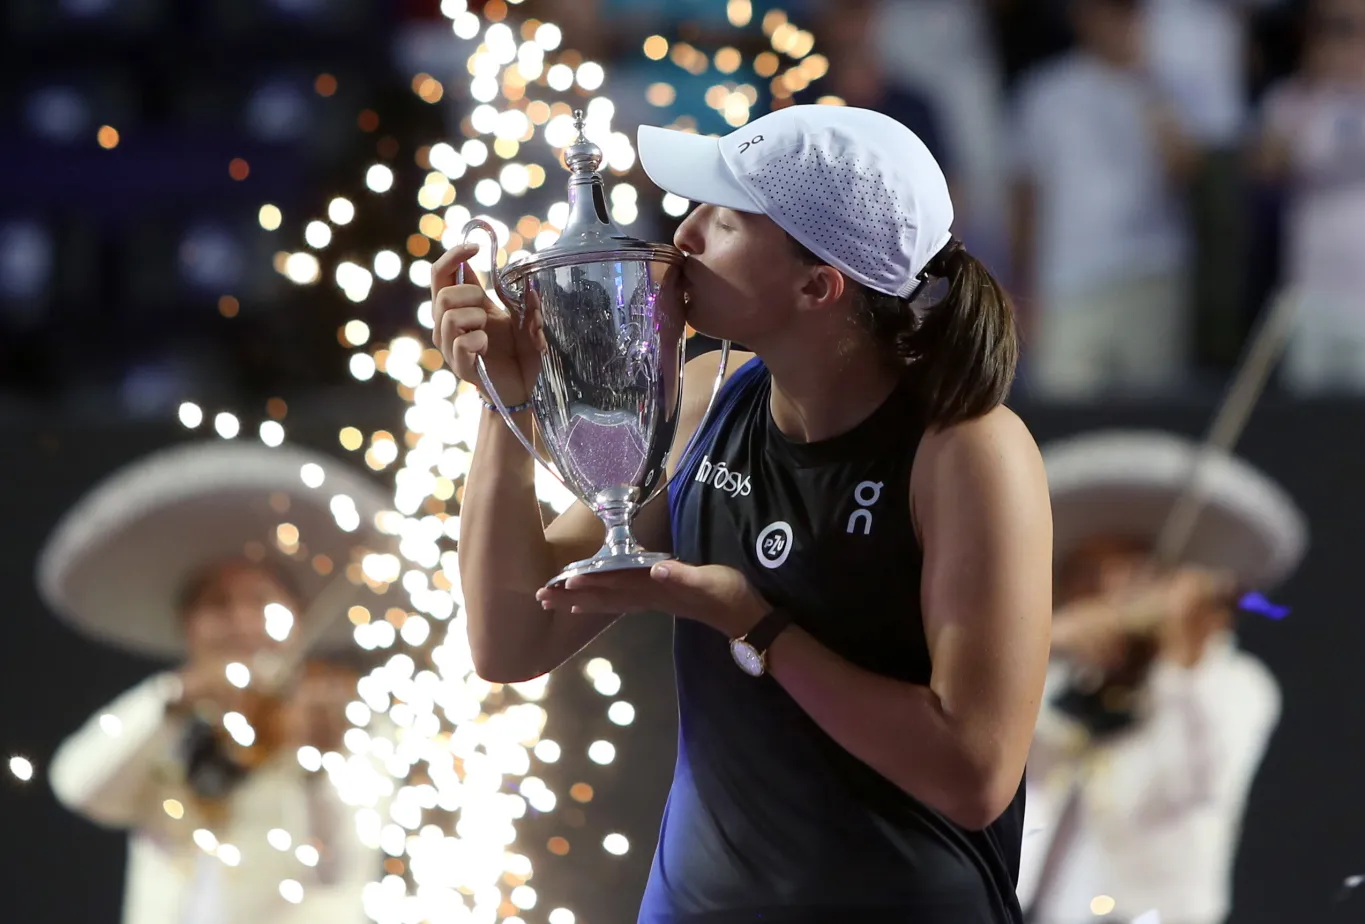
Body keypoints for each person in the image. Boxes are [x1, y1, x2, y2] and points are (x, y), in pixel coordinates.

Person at [432, 104, 1053, 922]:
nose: (683, 236)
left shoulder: (968, 449)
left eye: (723, 222)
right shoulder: (705, 395)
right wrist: (505, 402)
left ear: (817, 286)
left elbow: (973, 774)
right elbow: (512, 639)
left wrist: (753, 624)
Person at [41, 440, 401, 924]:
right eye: (217, 605)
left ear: (298, 618)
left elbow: (343, 865)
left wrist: (321, 760)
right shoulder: (166, 715)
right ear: (186, 625)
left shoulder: (347, 718)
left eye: (261, 601)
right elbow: (78, 787)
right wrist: (173, 697)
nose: (241, 622)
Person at [1017, 430, 1308, 924]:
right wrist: (1042, 641)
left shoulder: (1235, 683)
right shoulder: (1046, 678)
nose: (1109, 592)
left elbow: (1201, 778)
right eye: (1087, 574)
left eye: (1130, 573)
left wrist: (1181, 654)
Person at [1008, 0, 1197, 399]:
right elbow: (1027, 197)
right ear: (1082, 15)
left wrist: (1148, 87)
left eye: (1129, 12)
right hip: (1067, 281)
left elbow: (1184, 172)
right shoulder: (1046, 91)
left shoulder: (1166, 88)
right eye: (1108, 10)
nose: (1118, 22)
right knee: (1061, 410)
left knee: (1151, 413)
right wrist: (1025, 288)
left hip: (1149, 272)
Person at [1255, 0, 1365, 395]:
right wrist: (1317, 88)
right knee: (1312, 420)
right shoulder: (1298, 93)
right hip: (1313, 293)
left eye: (1354, 23)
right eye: (1334, 25)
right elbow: (1266, 164)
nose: (1346, 36)